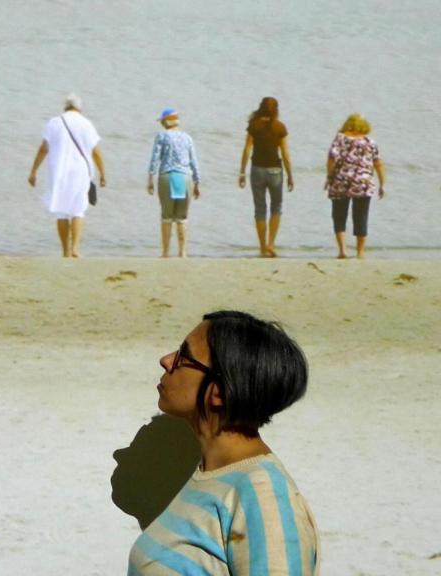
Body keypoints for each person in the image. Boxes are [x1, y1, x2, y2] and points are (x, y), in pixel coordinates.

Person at [128, 310, 320, 574]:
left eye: (184, 357)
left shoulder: (263, 495)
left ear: (219, 391)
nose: (166, 360)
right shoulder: (210, 476)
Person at [28, 94, 107, 258]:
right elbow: (95, 151)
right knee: (78, 209)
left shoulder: (54, 122)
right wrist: (102, 173)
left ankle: (65, 250)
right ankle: (75, 249)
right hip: (81, 171)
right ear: (80, 108)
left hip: (59, 171)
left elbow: (44, 148)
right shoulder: (86, 123)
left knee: (62, 212)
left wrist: (33, 171)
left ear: (65, 106)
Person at [239, 97, 293, 257]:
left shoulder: (254, 126)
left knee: (260, 209)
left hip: (257, 170)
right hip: (275, 171)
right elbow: (285, 154)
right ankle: (271, 244)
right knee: (276, 207)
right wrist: (290, 175)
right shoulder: (280, 127)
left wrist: (242, 171)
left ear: (260, 108)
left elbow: (247, 150)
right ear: (276, 109)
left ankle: (262, 248)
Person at [326, 114, 385, 259]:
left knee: (339, 215)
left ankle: (342, 250)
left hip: (341, 181)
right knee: (361, 216)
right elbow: (378, 164)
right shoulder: (370, 142)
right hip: (363, 183)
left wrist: (329, 177)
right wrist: (382, 184)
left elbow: (331, 159)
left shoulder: (340, 138)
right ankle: (360, 252)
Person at [148, 108, 201, 258]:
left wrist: (150, 177)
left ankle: (165, 252)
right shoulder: (187, 138)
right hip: (185, 177)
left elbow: (155, 158)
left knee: (166, 216)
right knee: (182, 217)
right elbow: (194, 161)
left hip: (167, 176)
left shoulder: (162, 136)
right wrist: (197, 182)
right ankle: (183, 252)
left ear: (166, 121)